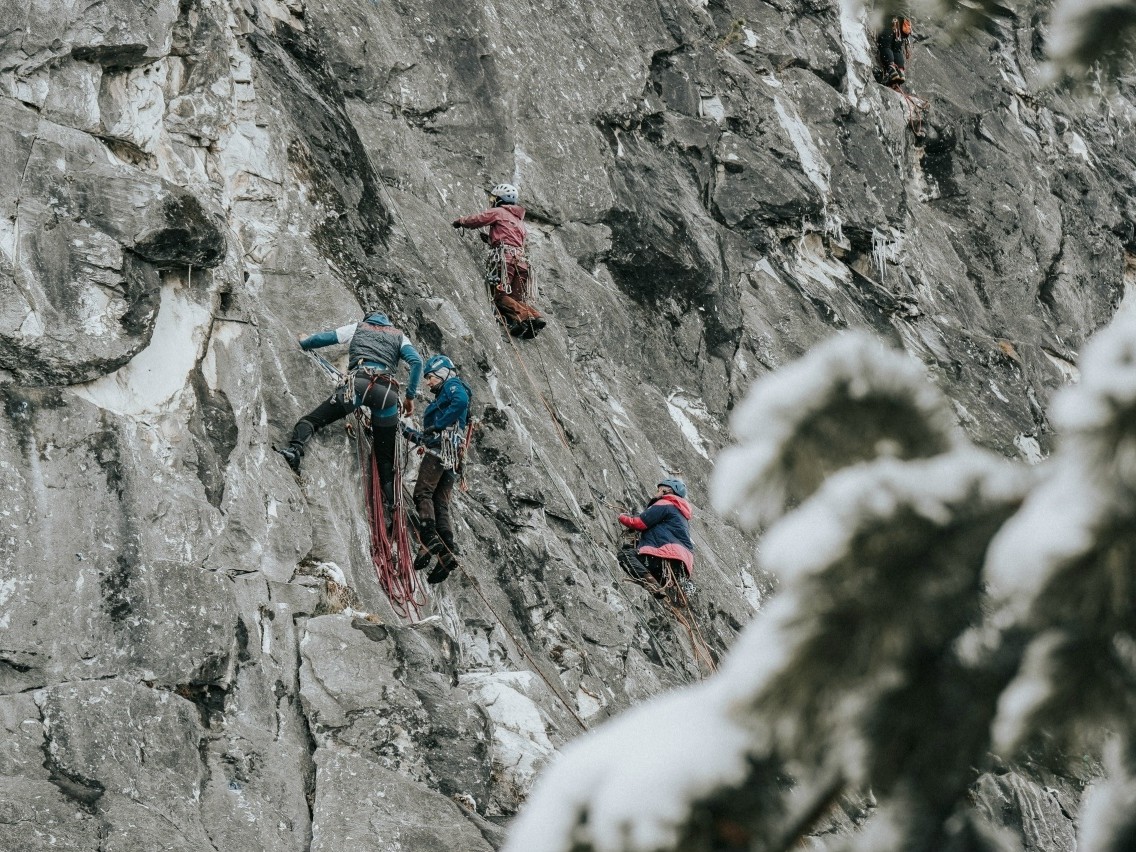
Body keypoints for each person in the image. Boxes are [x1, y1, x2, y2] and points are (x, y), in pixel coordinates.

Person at [277, 311, 422, 520]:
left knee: (311, 421)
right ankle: (392, 505)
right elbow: (416, 362)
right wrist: (409, 397)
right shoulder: (399, 336)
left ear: (368, 319)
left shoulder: (359, 328)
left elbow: (325, 338)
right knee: (384, 457)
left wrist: (305, 342)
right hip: (387, 395)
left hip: (359, 385)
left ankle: (294, 450)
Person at [401, 354, 472, 584]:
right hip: (452, 454)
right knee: (440, 502)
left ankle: (429, 539)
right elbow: (429, 435)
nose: (428, 382)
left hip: (441, 449)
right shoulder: (448, 393)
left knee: (423, 493)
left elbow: (461, 401)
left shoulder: (453, 385)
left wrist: (438, 425)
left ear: (442, 373)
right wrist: (406, 430)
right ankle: (447, 552)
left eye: (430, 377)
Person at [452, 183, 547, 339]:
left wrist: (461, 221)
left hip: (505, 260)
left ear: (499, 199)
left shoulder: (499, 212)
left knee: (500, 296)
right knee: (514, 299)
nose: (492, 201)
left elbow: (478, 219)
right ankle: (534, 317)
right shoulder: (520, 222)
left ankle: (525, 317)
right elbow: (514, 240)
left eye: (493, 198)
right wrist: (491, 240)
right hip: (522, 263)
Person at [617, 478, 695, 594]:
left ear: (666, 491)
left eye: (659, 490)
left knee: (626, 554)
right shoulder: (682, 515)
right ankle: (656, 583)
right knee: (635, 551)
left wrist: (622, 517)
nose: (657, 492)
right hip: (680, 565)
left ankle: (651, 583)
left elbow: (639, 522)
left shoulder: (665, 503)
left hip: (665, 556)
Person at [877, 16, 912, 85]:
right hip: (902, 25)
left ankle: (892, 70)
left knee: (885, 45)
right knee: (896, 49)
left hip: (890, 20)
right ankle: (900, 72)